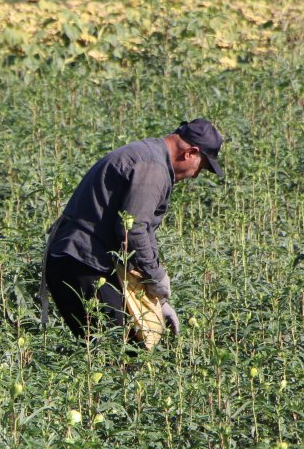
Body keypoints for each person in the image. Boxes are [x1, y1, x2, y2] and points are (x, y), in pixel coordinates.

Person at [42, 118, 224, 340]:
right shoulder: (153, 168)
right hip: (81, 265)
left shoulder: (148, 154)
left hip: (80, 262)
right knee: (120, 353)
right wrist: (157, 279)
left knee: (124, 349)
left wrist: (158, 302)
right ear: (190, 153)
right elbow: (133, 231)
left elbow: (136, 233)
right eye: (201, 167)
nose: (195, 175)